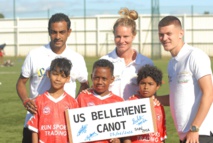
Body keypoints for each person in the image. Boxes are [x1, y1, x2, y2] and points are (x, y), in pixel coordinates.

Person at [16, 13, 89, 143]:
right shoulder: (35, 55)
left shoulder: (77, 58)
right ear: (49, 32)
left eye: (62, 32)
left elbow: (85, 84)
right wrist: (26, 100)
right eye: (54, 32)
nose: (58, 36)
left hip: (64, 125)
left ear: (69, 32)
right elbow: (21, 83)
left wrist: (73, 105)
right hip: (35, 121)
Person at [157, 15, 213, 143]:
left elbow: (209, 93)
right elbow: (176, 97)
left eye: (169, 34)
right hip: (186, 136)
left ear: (180, 33)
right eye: (161, 34)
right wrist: (151, 100)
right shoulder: (171, 64)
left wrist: (195, 128)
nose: (164, 38)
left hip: (200, 133)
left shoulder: (195, 56)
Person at [101, 7, 153, 100]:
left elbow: (151, 96)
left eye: (126, 36)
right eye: (118, 36)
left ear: (134, 35)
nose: (121, 41)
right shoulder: (104, 61)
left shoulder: (146, 63)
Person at [27, 57, 78, 143]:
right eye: (55, 74)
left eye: (62, 76)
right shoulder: (39, 101)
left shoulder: (72, 102)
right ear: (48, 74)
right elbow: (34, 130)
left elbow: (76, 130)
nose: (58, 79)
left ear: (68, 79)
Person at [77, 59, 123, 143]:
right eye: (96, 78)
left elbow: (125, 130)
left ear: (112, 79)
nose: (99, 82)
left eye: (104, 79)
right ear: (91, 77)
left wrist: (118, 140)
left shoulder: (119, 102)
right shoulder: (82, 97)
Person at [123, 64, 166, 143]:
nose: (146, 87)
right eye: (143, 83)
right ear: (138, 84)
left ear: (158, 86)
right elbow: (126, 134)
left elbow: (161, 135)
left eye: (150, 84)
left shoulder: (158, 106)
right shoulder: (131, 103)